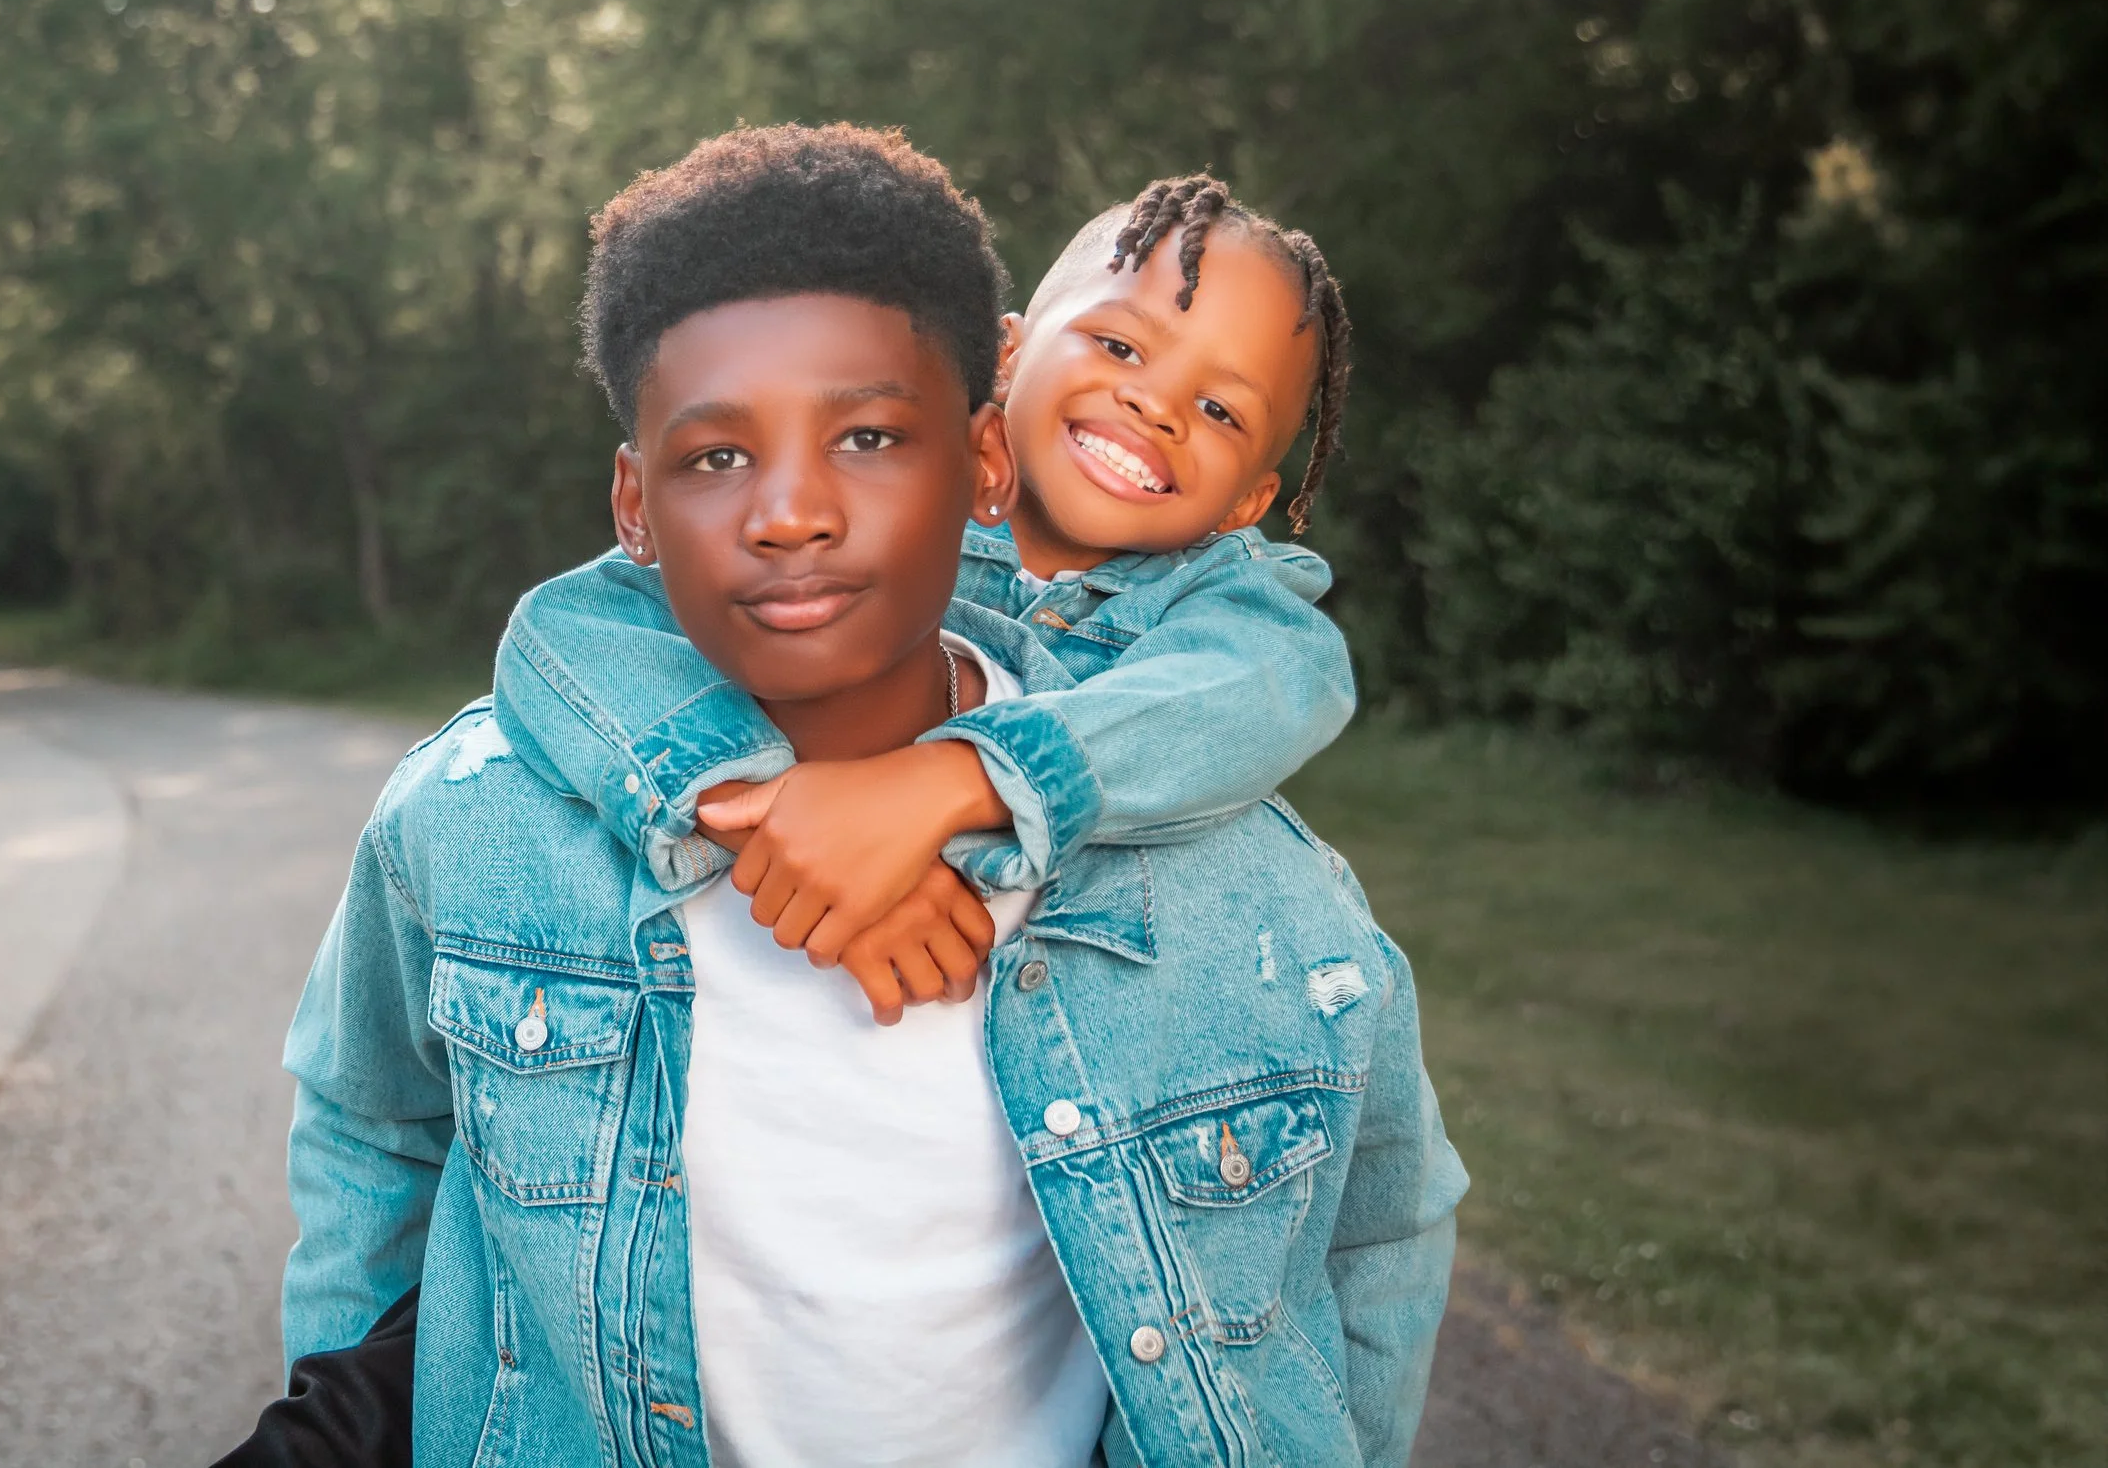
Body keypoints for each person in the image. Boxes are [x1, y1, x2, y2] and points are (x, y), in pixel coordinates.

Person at [249, 123, 1462, 1468]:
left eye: (872, 435)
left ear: (978, 456)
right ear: (633, 503)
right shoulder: (472, 821)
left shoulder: (1261, 867)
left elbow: (1373, 1241)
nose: (791, 511)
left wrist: (947, 789)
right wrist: (746, 808)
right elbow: (377, 1128)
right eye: (717, 457)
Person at [489, 168, 1360, 1023]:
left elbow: (1272, 687)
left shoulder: (1227, 605)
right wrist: (772, 827)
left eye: (1220, 410)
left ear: (1250, 501)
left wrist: (948, 783)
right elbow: (567, 628)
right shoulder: (889, 501)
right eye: (1121, 346)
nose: (1156, 405)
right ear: (1009, 354)